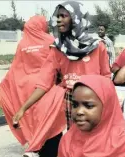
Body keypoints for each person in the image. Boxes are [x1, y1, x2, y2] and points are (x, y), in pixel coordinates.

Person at [13, 1, 111, 144]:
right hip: (71, 100)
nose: (58, 19)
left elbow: (106, 77)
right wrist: (23, 109)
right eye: (57, 16)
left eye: (64, 16)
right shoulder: (58, 49)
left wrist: (109, 103)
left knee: (97, 141)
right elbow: (44, 83)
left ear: (76, 18)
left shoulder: (97, 46)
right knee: (76, 141)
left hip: (95, 99)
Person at [0, 15, 66, 157]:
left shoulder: (22, 44)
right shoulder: (50, 41)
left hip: (26, 86)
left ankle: (35, 146)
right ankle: (43, 151)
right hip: (45, 85)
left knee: (33, 118)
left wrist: (4, 85)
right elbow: (57, 63)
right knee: (51, 117)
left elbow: (15, 66)